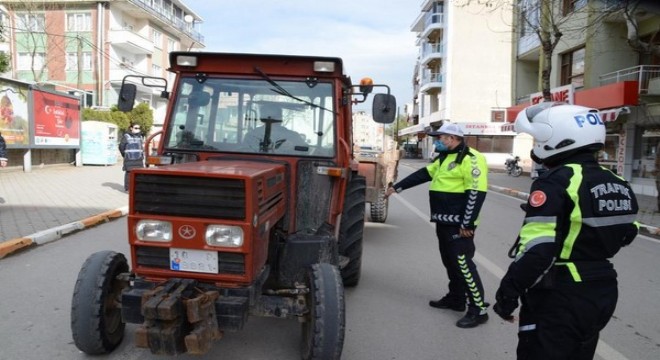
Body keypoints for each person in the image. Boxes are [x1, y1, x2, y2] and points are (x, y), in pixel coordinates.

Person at [493, 102, 639, 359]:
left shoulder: (556, 181)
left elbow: (538, 251)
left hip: (560, 295)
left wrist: (507, 294)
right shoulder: (618, 181)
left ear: (557, 139)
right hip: (603, 289)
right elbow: (629, 232)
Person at [385, 122, 489, 328]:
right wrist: (398, 187)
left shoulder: (472, 159)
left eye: (440, 138)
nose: (438, 141)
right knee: (450, 262)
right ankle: (456, 299)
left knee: (464, 265)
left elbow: (476, 193)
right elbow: (425, 174)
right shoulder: (445, 158)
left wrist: (467, 223)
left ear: (452, 138)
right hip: (443, 220)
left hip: (460, 224)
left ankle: (479, 309)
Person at [118, 122, 145, 191]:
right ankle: (128, 189)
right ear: (131, 128)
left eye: (139, 128)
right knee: (129, 174)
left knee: (138, 174)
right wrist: (124, 155)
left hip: (139, 159)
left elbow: (141, 148)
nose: (137, 129)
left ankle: (137, 188)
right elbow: (121, 146)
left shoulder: (140, 137)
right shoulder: (126, 136)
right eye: (136, 128)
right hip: (129, 159)